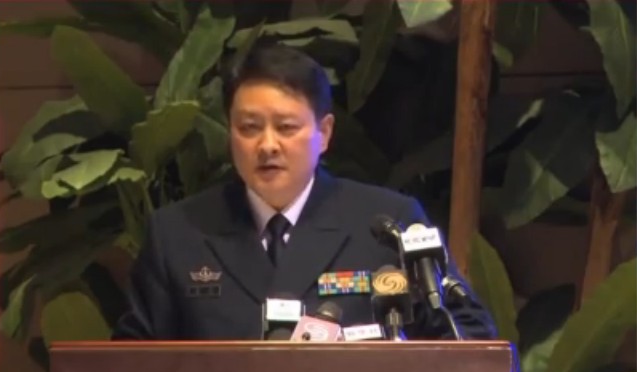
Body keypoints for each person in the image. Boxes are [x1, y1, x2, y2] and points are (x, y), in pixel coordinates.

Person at [112, 43, 497, 341]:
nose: (267, 145)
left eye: (286, 127)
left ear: (324, 133)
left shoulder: (387, 225)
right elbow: (130, 367)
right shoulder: (178, 233)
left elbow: (466, 335)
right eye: (249, 128)